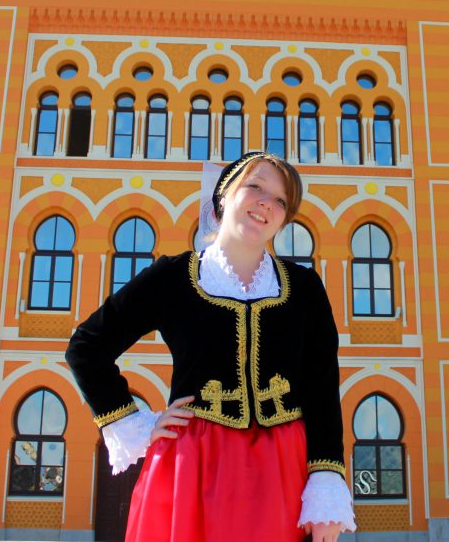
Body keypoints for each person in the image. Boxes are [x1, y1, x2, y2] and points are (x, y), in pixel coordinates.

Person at [67, 151, 355, 542]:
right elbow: (87, 346)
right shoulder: (172, 278)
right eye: (256, 186)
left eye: (281, 200)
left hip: (282, 468)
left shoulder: (304, 289)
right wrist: (134, 422)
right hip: (193, 464)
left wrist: (326, 479)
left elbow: (322, 390)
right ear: (224, 195)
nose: (266, 203)